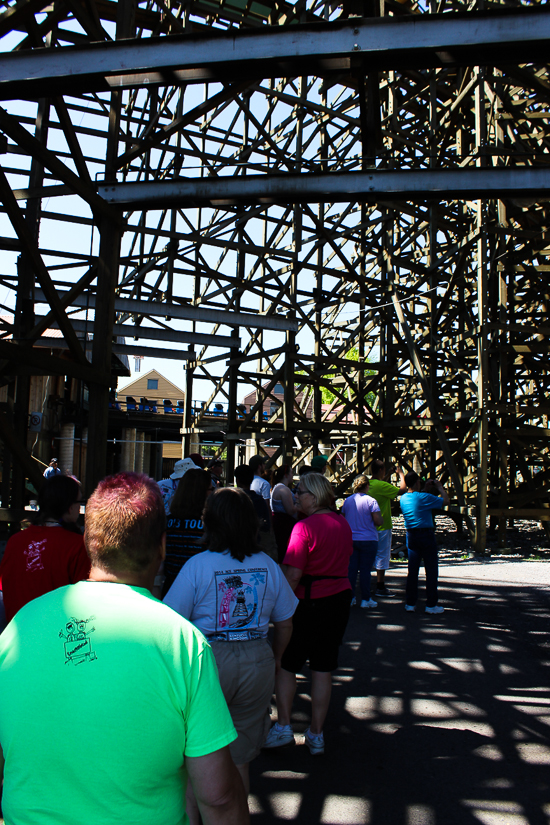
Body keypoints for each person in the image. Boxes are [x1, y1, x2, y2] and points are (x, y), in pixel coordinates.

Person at [0, 472, 248, 825]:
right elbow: (219, 797)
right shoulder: (182, 641)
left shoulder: (19, 628)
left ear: (88, 540)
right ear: (161, 546)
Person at [164, 487, 297, 814]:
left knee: (196, 759)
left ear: (211, 522)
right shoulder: (266, 565)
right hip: (256, 658)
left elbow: (171, 622)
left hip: (208, 658)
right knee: (239, 760)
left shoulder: (198, 565)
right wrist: (276, 658)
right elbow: (285, 622)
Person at [263, 473, 352, 756]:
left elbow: (291, 575)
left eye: (299, 491)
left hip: (308, 601)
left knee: (288, 664)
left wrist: (276, 610)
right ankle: (316, 733)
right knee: (323, 668)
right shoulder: (342, 524)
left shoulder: (303, 527)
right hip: (338, 599)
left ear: (313, 497)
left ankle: (284, 727)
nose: (296, 495)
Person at [0, 474, 89, 623]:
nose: (79, 508)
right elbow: (85, 602)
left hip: (16, 636)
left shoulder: (14, 542)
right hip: (55, 639)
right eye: (78, 502)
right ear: (69, 506)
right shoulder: (77, 545)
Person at [400, 470, 450, 614]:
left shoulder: (403, 498)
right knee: (431, 570)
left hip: (411, 535)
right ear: (417, 482)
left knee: (413, 571)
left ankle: (410, 603)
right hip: (426, 535)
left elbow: (418, 497)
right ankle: (431, 604)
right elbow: (445, 501)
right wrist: (440, 488)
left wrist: (424, 489)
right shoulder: (424, 497)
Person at [162, 467, 212, 598]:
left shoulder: (167, 522)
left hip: (171, 589)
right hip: (202, 591)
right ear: (202, 492)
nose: (213, 493)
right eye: (211, 489)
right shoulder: (210, 525)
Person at [342, 475, 383, 608]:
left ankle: (351, 597)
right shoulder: (371, 501)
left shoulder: (347, 501)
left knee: (351, 570)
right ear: (367, 486)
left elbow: (343, 517)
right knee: (365, 570)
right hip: (369, 538)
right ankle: (366, 598)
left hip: (351, 539)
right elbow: (377, 520)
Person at [368, 459, 407, 598]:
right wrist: (401, 474)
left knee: (367, 556)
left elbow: (380, 484)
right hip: (383, 525)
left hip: (368, 526)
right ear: (381, 470)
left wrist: (387, 475)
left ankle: (365, 587)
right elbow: (402, 490)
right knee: (382, 556)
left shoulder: (368, 484)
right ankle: (380, 585)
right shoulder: (382, 486)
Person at [234, 464, 278, 561]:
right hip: (255, 545)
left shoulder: (230, 499)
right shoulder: (258, 500)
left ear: (237, 480)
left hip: (234, 545)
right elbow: (265, 524)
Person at [271, 464, 298, 563]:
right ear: (286, 475)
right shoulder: (284, 490)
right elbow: (290, 510)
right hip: (284, 524)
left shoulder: (277, 487)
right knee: (284, 550)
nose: (293, 475)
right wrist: (300, 504)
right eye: (291, 473)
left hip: (280, 523)